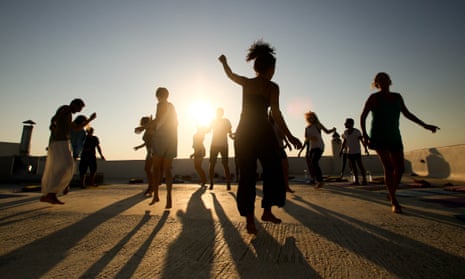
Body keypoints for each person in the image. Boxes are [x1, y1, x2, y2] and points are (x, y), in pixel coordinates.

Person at [218, 41, 302, 234]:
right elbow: (277, 114)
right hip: (263, 131)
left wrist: (224, 62)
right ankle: (266, 210)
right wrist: (290, 136)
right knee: (273, 170)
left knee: (247, 175)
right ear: (271, 68)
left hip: (244, 131)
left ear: (255, 67)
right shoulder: (272, 87)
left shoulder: (247, 83)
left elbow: (230, 75)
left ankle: (250, 220)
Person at [361, 72, 439, 213]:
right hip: (379, 136)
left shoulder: (397, 97)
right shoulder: (374, 98)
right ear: (376, 84)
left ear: (390, 81)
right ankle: (394, 201)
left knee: (401, 169)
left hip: (394, 136)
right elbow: (363, 116)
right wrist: (366, 135)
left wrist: (425, 125)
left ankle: (391, 193)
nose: (383, 82)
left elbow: (407, 114)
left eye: (385, 79)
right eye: (380, 80)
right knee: (389, 168)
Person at [41, 99, 96, 204]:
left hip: (62, 141)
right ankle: (52, 193)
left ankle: (49, 194)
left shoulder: (68, 115)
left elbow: (76, 128)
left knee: (60, 166)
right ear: (74, 104)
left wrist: (90, 120)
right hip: (60, 141)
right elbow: (56, 117)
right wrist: (52, 123)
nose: (79, 111)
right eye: (79, 108)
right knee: (67, 166)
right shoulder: (66, 109)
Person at [149, 87, 178, 209]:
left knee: (156, 169)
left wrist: (145, 127)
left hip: (161, 139)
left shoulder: (160, 105)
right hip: (172, 139)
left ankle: (156, 195)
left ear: (158, 96)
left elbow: (158, 119)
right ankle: (169, 198)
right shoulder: (172, 107)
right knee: (167, 170)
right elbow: (176, 123)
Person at [298, 111, 336, 189]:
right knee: (312, 164)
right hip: (312, 148)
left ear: (315, 117)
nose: (311, 118)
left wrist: (333, 129)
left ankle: (320, 181)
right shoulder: (307, 128)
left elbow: (327, 131)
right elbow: (306, 138)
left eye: (312, 117)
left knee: (314, 162)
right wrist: (301, 150)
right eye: (309, 117)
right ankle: (317, 180)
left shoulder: (318, 125)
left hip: (319, 146)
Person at [208, 107, 233, 190]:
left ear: (222, 113)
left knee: (224, 165)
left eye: (220, 112)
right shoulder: (213, 121)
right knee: (212, 165)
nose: (219, 114)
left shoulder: (226, 121)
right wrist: (201, 130)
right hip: (215, 145)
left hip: (223, 145)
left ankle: (228, 184)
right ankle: (211, 183)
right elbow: (208, 130)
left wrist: (233, 136)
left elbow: (230, 132)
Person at [269, 112, 294, 193]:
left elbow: (282, 134)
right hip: (272, 149)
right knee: (275, 169)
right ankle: (277, 187)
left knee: (285, 167)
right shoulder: (268, 123)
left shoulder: (279, 123)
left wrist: (287, 143)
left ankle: (286, 186)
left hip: (280, 148)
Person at [339, 118, 369, 185]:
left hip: (357, 152)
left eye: (346, 123)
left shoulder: (357, 132)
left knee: (360, 166)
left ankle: (364, 180)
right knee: (353, 167)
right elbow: (344, 142)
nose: (345, 124)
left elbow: (362, 141)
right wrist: (341, 150)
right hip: (350, 152)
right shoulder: (345, 132)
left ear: (351, 124)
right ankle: (356, 181)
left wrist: (366, 149)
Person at [134, 116, 156, 197]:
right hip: (150, 151)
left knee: (148, 169)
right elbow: (146, 143)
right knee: (148, 169)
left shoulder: (150, 130)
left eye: (143, 122)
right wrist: (139, 147)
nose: (142, 124)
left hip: (152, 151)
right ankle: (151, 186)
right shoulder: (147, 130)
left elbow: (152, 142)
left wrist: (151, 152)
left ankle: (151, 187)